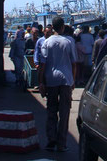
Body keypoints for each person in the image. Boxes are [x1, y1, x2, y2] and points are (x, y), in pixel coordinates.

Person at [38, 16, 76, 152]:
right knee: (65, 112)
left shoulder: (46, 42)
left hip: (51, 79)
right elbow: (73, 63)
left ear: (52, 28)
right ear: (63, 27)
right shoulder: (69, 41)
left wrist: (41, 82)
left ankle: (51, 139)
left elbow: (42, 64)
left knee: (51, 109)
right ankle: (62, 143)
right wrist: (73, 81)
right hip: (66, 79)